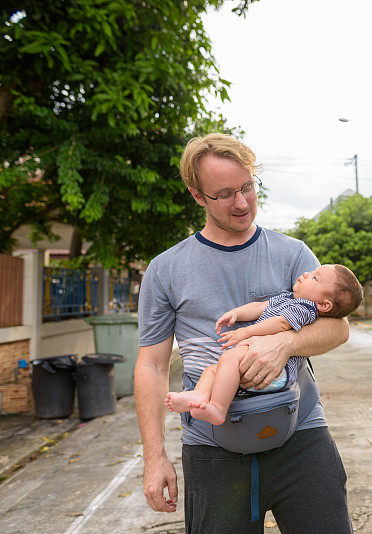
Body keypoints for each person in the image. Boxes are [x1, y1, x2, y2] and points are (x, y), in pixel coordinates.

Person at [135, 133, 355, 533]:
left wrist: (285, 342)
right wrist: (154, 456)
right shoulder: (166, 269)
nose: (241, 202)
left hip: (299, 437)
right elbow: (151, 364)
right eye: (224, 194)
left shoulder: (293, 254)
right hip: (213, 450)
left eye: (248, 187)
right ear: (197, 195)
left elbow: (337, 329)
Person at [164, 264, 362, 426]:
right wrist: (237, 314)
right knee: (211, 370)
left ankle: (217, 408)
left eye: (315, 278)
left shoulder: (305, 308)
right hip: (260, 363)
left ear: (324, 305)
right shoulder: (287, 298)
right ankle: (198, 395)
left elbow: (282, 323)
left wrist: (245, 332)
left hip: (274, 371)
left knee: (229, 358)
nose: (306, 273)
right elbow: (260, 307)